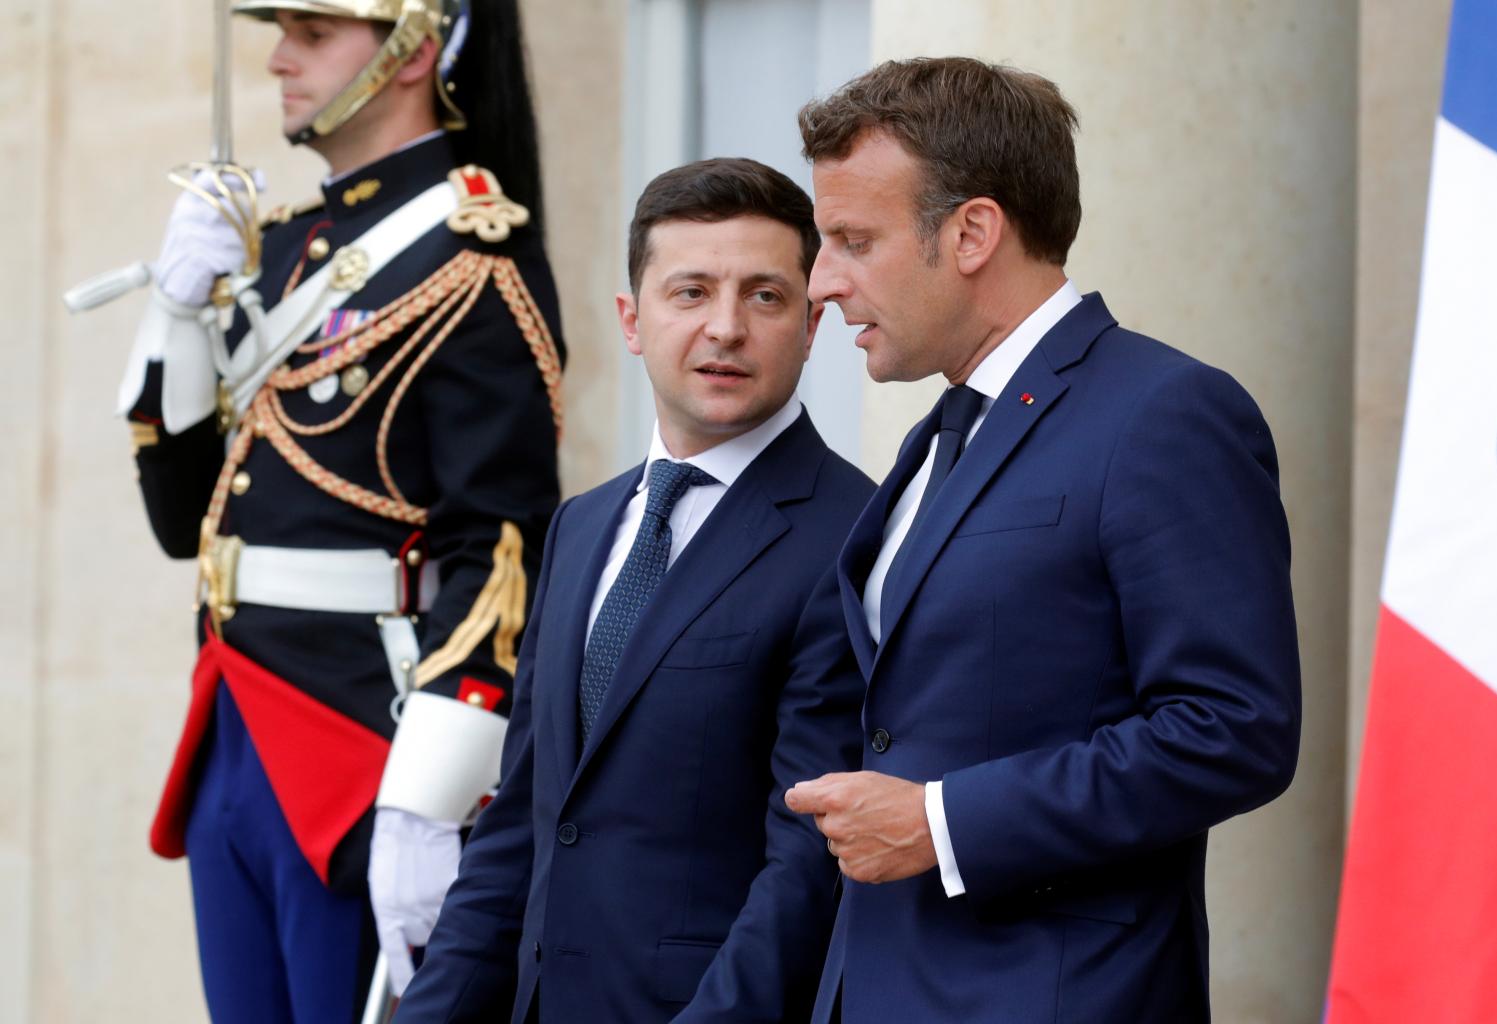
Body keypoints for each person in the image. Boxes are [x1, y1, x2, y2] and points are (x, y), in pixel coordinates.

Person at [783, 57, 1302, 1022]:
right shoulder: (939, 434)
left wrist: (942, 823)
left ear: (974, 232)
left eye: (854, 240)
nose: (821, 283)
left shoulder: (1166, 413)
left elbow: (1235, 729)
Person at [117, 1, 563, 1019]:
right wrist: (177, 311)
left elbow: (502, 549)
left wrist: (431, 795)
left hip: (361, 740)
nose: (280, 57)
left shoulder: (474, 255)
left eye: (315, 34)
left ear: (412, 49)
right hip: (234, 715)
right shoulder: (286, 249)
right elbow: (179, 515)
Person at [393, 157, 874, 1024]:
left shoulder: (855, 534)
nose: (725, 327)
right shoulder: (580, 527)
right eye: (690, 292)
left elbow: (808, 858)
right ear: (632, 319)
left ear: (811, 325)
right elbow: (522, 828)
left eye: (764, 296)